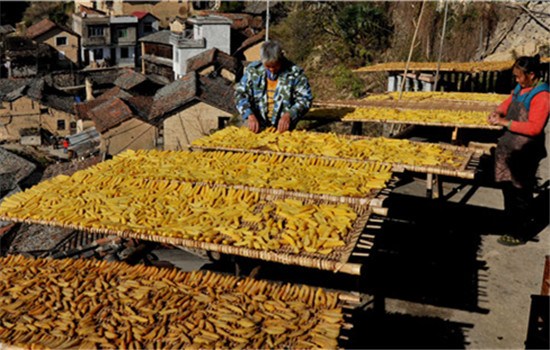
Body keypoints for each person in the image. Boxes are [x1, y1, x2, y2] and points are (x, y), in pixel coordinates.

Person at [487, 55, 549, 246]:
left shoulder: (542, 96)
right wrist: (498, 111)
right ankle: (510, 223)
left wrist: (506, 122)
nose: (517, 80)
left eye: (519, 77)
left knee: (521, 192)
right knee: (509, 190)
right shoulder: (521, 88)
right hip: (510, 150)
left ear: (531, 75)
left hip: (525, 152)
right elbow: (509, 101)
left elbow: (534, 127)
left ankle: (520, 232)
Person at [235, 40, 313, 133]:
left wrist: (289, 114)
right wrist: (249, 115)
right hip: (257, 127)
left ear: (281, 58)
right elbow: (240, 94)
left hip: (284, 129)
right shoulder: (253, 71)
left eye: (275, 66)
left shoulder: (295, 73)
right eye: (268, 66)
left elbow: (305, 99)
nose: (272, 70)